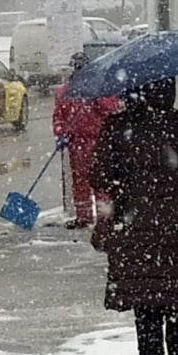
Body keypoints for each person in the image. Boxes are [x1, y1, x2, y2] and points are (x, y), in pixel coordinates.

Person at [91, 77, 178, 355]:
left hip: (135, 230)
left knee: (145, 313)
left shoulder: (117, 127)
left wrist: (125, 178)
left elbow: (99, 175)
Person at [52, 51, 119, 228]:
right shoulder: (65, 92)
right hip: (77, 144)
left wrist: (96, 99)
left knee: (100, 180)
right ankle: (84, 216)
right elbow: (59, 116)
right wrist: (61, 133)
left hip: (98, 142)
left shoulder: (98, 89)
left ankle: (104, 217)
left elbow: (111, 110)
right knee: (81, 182)